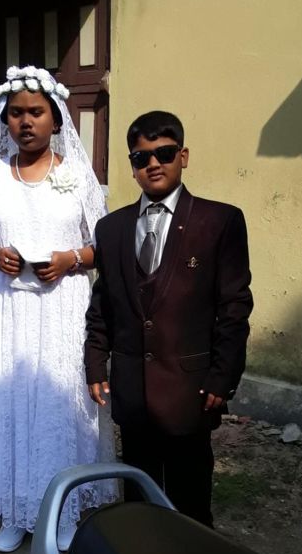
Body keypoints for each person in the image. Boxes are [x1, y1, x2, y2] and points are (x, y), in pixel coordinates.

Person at [0, 66, 116, 553]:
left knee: (59, 406)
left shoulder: (76, 175)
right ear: (5, 120)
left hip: (62, 311)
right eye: (16, 113)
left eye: (36, 112)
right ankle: (15, 511)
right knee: (10, 404)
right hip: (9, 313)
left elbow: (104, 246)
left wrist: (72, 259)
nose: (25, 122)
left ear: (56, 119)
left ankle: (62, 511)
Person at [85, 110, 253, 527]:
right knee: (139, 493)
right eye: (141, 157)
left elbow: (234, 308)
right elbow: (103, 303)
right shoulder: (111, 228)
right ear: (132, 166)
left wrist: (223, 376)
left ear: (183, 156)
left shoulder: (219, 221)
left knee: (189, 496)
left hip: (189, 389)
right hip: (131, 388)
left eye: (164, 153)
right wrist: (95, 363)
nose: (153, 164)